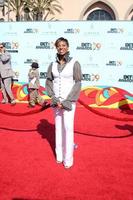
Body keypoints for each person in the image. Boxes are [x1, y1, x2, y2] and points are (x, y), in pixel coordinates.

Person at [45, 37, 82, 169]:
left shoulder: (75, 63)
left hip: (69, 102)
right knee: (58, 128)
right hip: (56, 102)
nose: (61, 47)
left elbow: (78, 83)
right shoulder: (52, 64)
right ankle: (59, 156)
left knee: (68, 128)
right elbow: (49, 81)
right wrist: (53, 98)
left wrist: (67, 100)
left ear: (68, 47)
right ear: (56, 47)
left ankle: (68, 159)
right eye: (59, 45)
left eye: (64, 45)